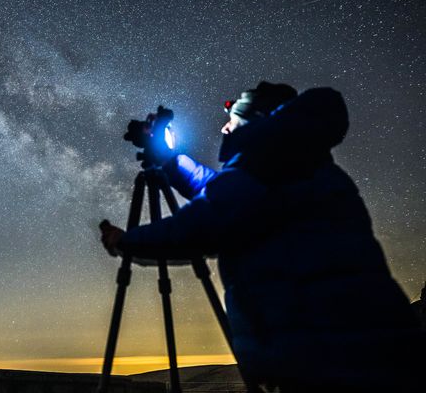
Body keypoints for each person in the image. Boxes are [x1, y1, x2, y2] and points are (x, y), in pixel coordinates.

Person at [100, 82, 423, 392]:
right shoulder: (290, 158)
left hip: (327, 355)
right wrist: (171, 163)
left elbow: (207, 222)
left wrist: (125, 241)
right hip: (350, 345)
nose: (224, 129)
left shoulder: (272, 163)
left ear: (255, 121)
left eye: (232, 121)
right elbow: (225, 197)